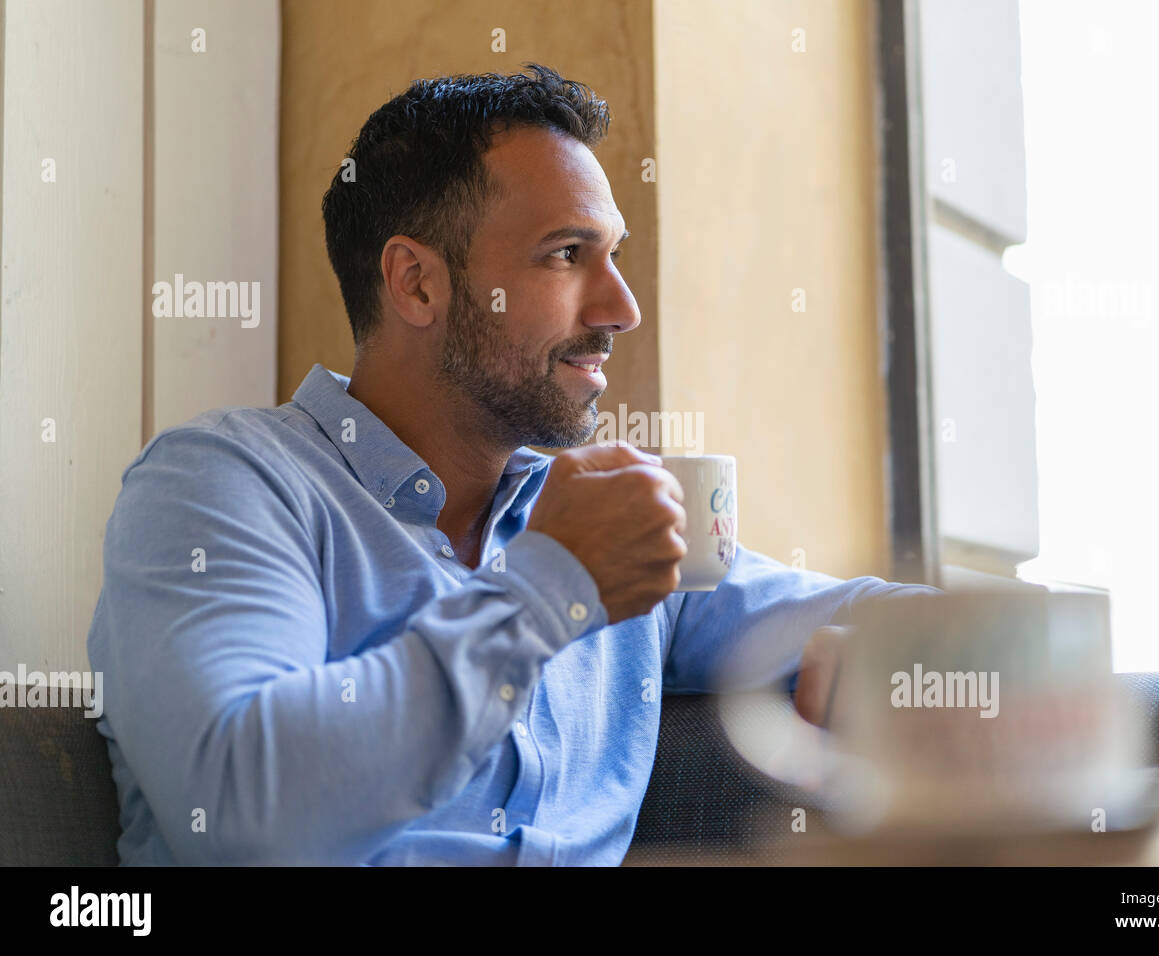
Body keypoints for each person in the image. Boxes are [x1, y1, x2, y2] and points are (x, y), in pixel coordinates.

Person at [86, 63, 937, 866]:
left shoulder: (608, 527)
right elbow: (238, 811)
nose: (622, 307)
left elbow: (880, 617)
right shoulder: (223, 485)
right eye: (566, 254)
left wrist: (897, 655)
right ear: (416, 284)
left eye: (614, 254)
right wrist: (549, 589)